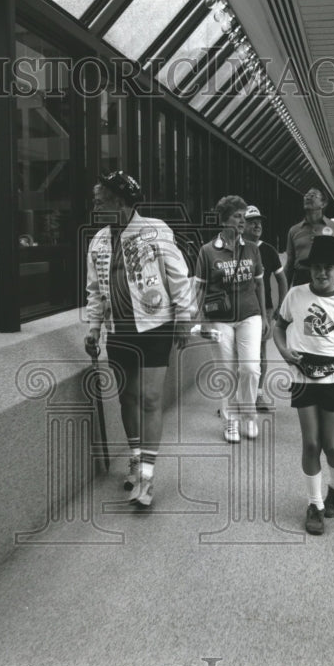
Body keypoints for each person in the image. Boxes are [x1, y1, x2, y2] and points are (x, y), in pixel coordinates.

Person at [84, 171, 196, 508]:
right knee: (127, 397)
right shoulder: (98, 240)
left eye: (100, 200)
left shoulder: (155, 230)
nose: (96, 205)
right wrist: (93, 328)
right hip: (119, 331)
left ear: (119, 201)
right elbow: (94, 291)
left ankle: (146, 476)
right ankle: (135, 456)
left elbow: (178, 275)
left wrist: (184, 317)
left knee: (149, 398)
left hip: (155, 327)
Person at [273, 236, 334, 536]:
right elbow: (279, 326)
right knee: (311, 443)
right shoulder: (295, 295)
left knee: (333, 446)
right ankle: (315, 505)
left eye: (328, 268)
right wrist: (285, 351)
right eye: (316, 268)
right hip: (302, 376)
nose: (321, 273)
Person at [194, 195, 266, 442]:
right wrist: (201, 320)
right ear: (224, 219)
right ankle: (231, 422)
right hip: (219, 318)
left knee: (250, 368)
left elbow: (259, 284)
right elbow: (199, 289)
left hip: (249, 314)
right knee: (226, 371)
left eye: (244, 217)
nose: (242, 222)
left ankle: (249, 416)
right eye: (237, 216)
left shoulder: (252, 248)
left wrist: (264, 316)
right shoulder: (207, 252)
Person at [242, 205, 288, 411]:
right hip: (239, 309)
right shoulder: (234, 248)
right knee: (238, 356)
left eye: (259, 221)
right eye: (252, 221)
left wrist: (282, 305)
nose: (257, 225)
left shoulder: (268, 250)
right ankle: (237, 398)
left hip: (263, 309)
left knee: (259, 352)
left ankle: (258, 395)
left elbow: (281, 279)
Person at [284, 187, 334, 287]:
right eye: (306, 195)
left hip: (325, 277)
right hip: (301, 279)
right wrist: (284, 292)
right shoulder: (294, 230)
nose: (308, 198)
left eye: (312, 195)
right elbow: (290, 263)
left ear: (323, 203)